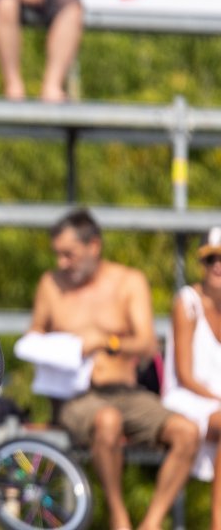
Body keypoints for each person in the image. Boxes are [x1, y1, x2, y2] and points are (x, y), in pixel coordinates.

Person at [25, 208, 198, 530]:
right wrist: (59, 348)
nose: (62, 263)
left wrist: (106, 342)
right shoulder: (51, 284)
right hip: (76, 397)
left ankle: (152, 522)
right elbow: (33, 335)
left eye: (69, 254)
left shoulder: (128, 281)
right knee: (107, 420)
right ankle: (119, 518)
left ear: (94, 246)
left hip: (126, 391)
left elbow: (147, 343)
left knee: (187, 433)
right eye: (58, 255)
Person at [162, 227, 221, 530]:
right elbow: (185, 375)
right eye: (211, 258)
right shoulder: (187, 302)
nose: (217, 265)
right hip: (188, 399)